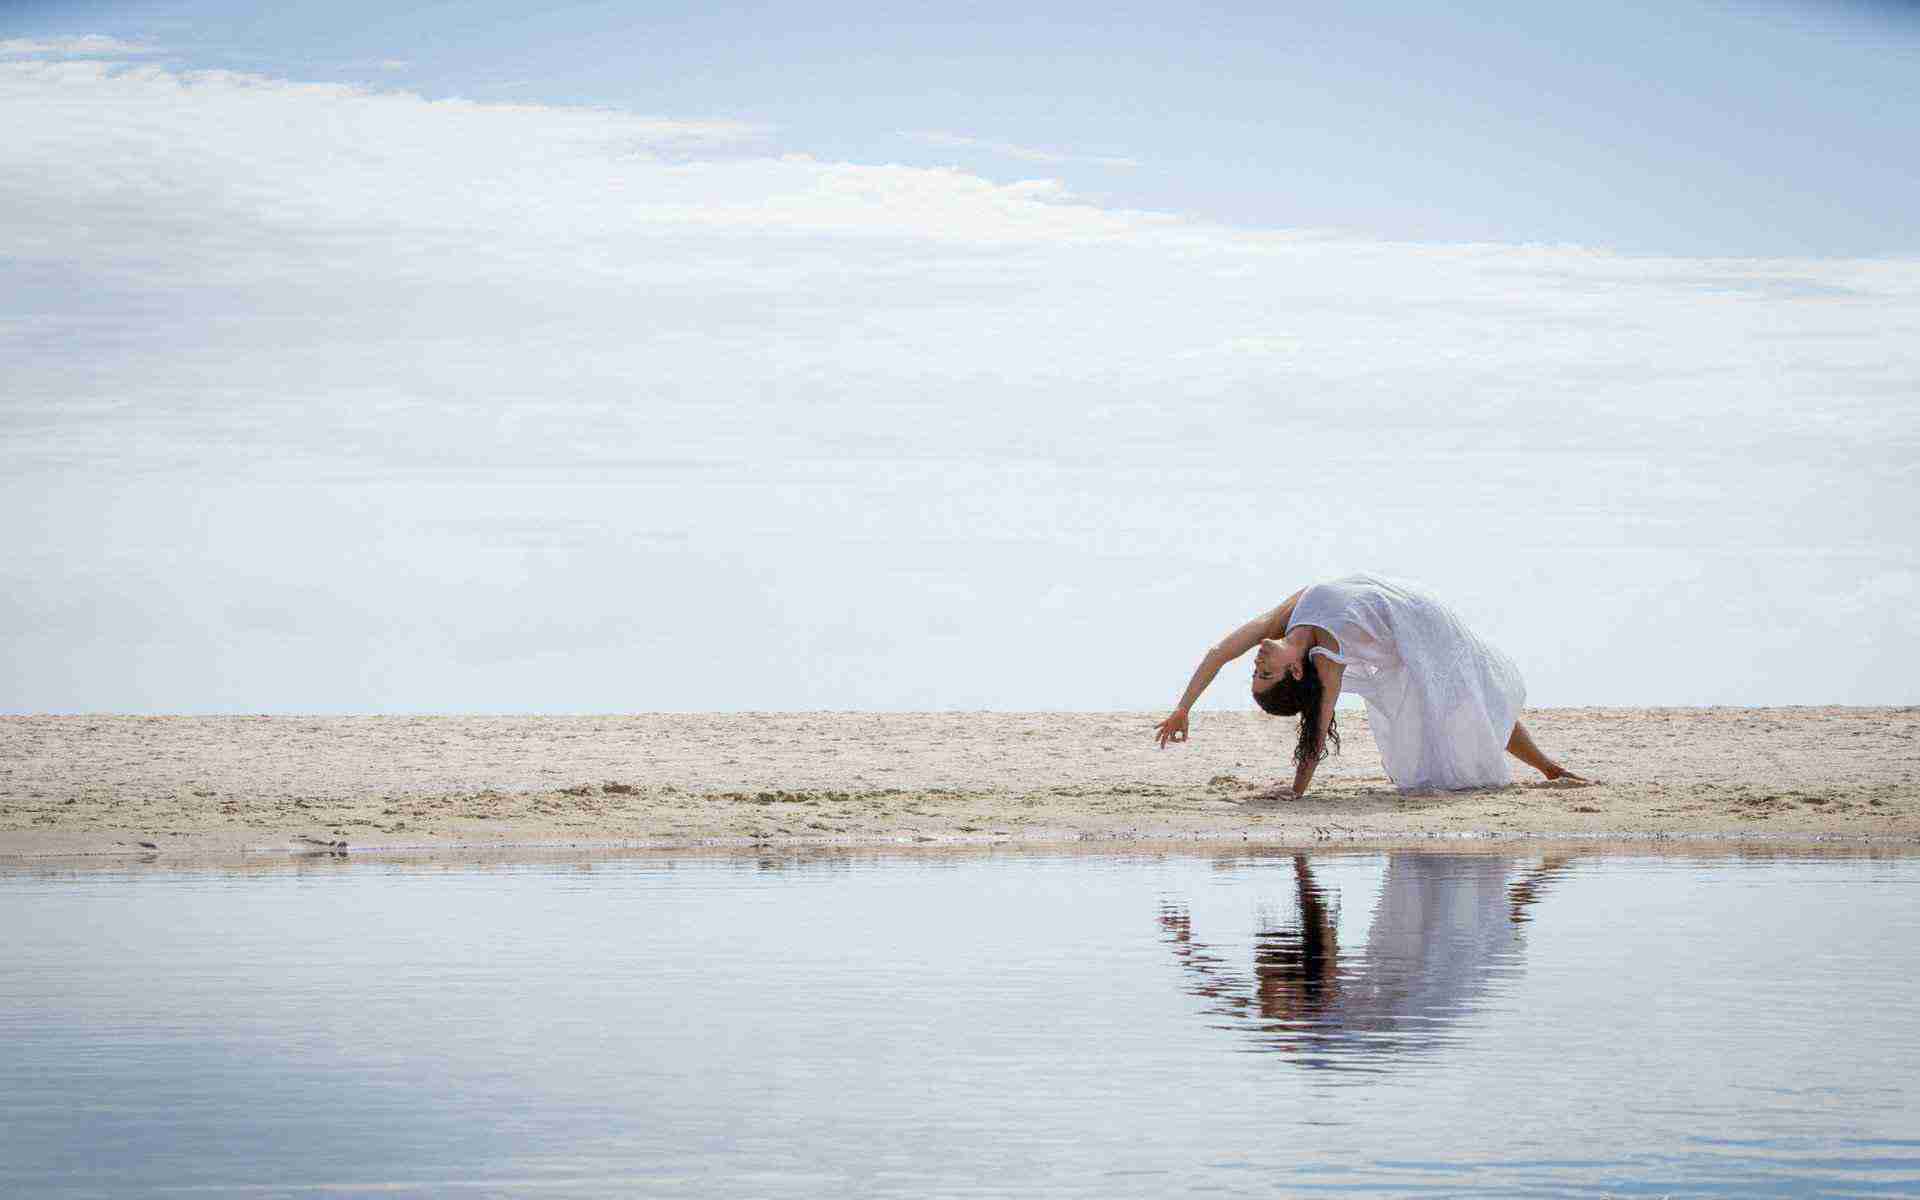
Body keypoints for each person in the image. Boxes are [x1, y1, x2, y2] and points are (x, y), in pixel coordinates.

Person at [1152, 572, 1584, 797]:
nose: (1257, 661)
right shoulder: (1325, 658)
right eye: (1266, 673)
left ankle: (1548, 767)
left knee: (1474, 702)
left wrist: (1183, 707)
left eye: (1256, 672)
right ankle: (1549, 768)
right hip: (1418, 633)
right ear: (1296, 672)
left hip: (1412, 606)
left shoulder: (1281, 620)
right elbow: (1317, 731)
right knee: (1467, 707)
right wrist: (1297, 789)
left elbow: (1216, 654)